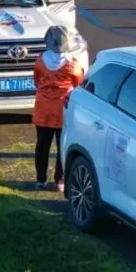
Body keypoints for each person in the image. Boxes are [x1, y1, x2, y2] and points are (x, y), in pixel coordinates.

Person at [32, 24, 86, 193]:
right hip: (62, 109)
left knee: (42, 145)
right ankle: (59, 179)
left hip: (43, 107)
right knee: (61, 145)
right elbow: (79, 84)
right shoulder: (73, 64)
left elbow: (36, 80)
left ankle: (40, 179)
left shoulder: (40, 60)